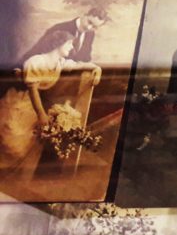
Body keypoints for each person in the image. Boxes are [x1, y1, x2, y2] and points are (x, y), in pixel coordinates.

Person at [0, 31, 101, 171]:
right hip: (21, 102)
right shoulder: (36, 62)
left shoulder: (60, 62)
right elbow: (33, 91)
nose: (71, 47)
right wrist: (41, 114)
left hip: (34, 106)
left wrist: (97, 68)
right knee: (13, 141)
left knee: (28, 145)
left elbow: (80, 64)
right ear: (59, 43)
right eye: (69, 44)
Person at [23, 7, 109, 63]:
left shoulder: (90, 34)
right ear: (84, 15)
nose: (89, 27)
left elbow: (86, 58)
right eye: (89, 22)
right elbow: (38, 50)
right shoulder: (60, 28)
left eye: (94, 27)